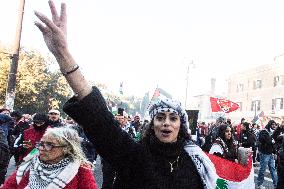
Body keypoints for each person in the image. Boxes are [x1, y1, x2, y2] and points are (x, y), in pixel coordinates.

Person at [33, 1, 251, 188]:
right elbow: (99, 119)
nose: (167, 123)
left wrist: (240, 162)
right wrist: (63, 55)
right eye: (160, 117)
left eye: (173, 118)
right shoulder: (134, 155)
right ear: (152, 124)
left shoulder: (196, 162)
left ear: (181, 126)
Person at [1, 127, 98, 189]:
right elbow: (9, 186)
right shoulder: (28, 163)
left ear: (66, 148)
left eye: (49, 145)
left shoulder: (80, 169)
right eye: (41, 144)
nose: (41, 148)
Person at [257, 120, 278, 189]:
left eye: (275, 124)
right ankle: (259, 184)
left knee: (273, 169)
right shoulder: (264, 131)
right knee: (262, 169)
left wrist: (274, 153)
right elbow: (261, 140)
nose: (274, 126)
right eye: (273, 124)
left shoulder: (274, 132)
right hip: (264, 153)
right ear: (269, 125)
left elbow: (274, 144)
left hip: (271, 154)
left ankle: (276, 185)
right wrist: (270, 139)